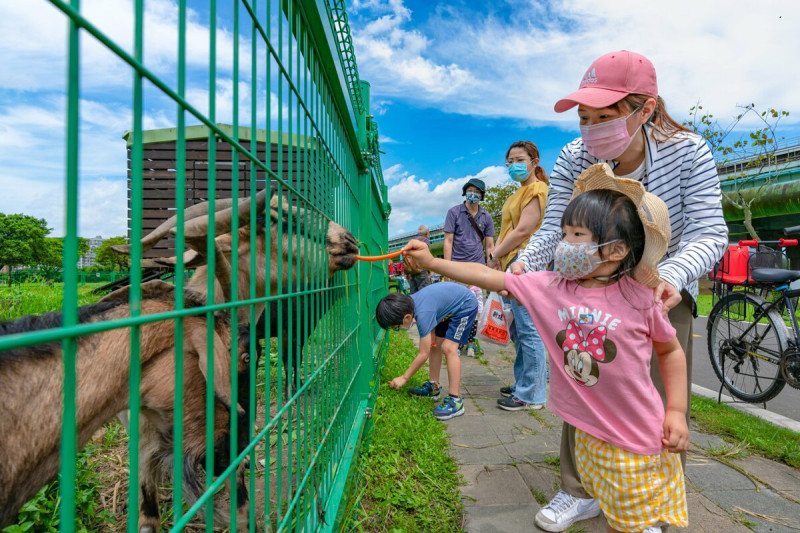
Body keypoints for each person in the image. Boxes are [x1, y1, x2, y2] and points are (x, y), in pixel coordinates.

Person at [405, 165, 690, 533]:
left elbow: (670, 351)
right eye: (564, 233)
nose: (564, 245)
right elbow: (490, 276)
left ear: (617, 249)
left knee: (632, 522)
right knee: (610, 505)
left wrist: (678, 411)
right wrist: (432, 262)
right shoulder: (553, 286)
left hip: (636, 437)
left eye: (577, 236)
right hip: (588, 434)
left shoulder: (640, 299)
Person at [511, 50, 727, 532]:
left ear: (644, 109)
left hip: (660, 287)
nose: (590, 131)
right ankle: (579, 489)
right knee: (582, 373)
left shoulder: (688, 151)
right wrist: (528, 262)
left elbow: (709, 231)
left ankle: (651, 500)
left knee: (657, 392)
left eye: (604, 117)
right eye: (584, 118)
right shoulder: (573, 157)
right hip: (590, 284)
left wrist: (671, 277)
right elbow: (553, 228)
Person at [488, 141, 549, 411]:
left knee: (529, 330)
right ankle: (525, 381)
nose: (513, 165)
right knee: (518, 330)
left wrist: (494, 254)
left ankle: (532, 394)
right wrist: (499, 257)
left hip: (527, 265)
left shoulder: (537, 189)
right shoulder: (518, 193)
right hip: (511, 264)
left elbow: (524, 230)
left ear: (534, 161)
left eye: (519, 159)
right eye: (509, 161)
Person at [376, 281, 478, 421]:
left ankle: (456, 401)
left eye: (397, 327)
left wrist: (404, 378)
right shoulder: (413, 303)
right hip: (448, 308)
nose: (399, 329)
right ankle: (433, 386)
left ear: (407, 317)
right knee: (434, 344)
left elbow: (423, 354)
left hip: (465, 305)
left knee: (449, 348)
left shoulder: (423, 313)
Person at [444, 178, 495, 356]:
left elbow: (489, 245)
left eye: (477, 191)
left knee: (475, 307)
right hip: (457, 267)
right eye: (470, 190)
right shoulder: (454, 212)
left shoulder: (486, 216)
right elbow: (448, 241)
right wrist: (447, 267)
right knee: (457, 306)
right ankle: (456, 341)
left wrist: (491, 270)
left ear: (481, 195)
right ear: (465, 192)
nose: (473, 193)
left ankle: (471, 341)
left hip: (478, 268)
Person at [407, 225, 432, 293]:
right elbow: (426, 257)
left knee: (414, 293)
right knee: (425, 292)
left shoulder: (412, 241)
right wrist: (429, 270)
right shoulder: (425, 240)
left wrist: (408, 273)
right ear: (426, 232)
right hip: (421, 269)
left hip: (412, 271)